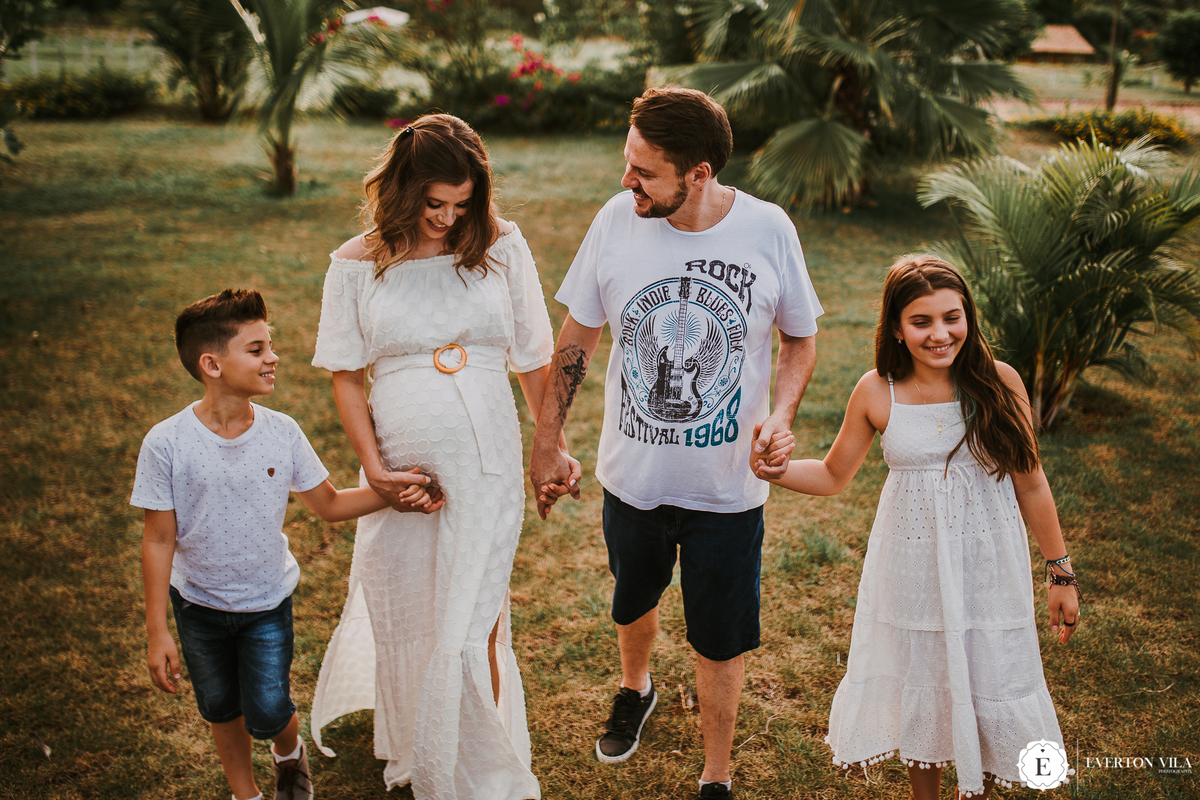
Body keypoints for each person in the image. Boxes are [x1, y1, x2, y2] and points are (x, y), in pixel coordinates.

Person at [529, 87, 822, 800]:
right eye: (628, 163)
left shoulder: (767, 229)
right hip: (632, 477)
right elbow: (578, 336)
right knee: (632, 601)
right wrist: (547, 437)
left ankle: (715, 774)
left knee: (719, 637)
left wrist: (780, 416)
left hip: (727, 491)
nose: (626, 181)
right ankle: (637, 688)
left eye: (643, 172)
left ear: (697, 172)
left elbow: (800, 336)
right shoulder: (615, 219)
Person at [752, 255, 1081, 799]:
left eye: (951, 317)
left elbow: (1031, 481)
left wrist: (1059, 572)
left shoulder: (999, 383)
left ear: (967, 316)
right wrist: (773, 469)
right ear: (897, 329)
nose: (940, 334)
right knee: (922, 678)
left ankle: (976, 787)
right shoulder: (877, 392)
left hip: (987, 564)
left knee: (990, 674)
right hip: (913, 566)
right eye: (921, 321)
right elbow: (835, 475)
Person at [309, 113, 563, 800]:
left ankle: (479, 765)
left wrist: (552, 445)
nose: (448, 218)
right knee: (410, 603)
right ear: (402, 192)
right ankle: (420, 744)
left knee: (472, 608)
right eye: (433, 204)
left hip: (485, 456)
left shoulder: (502, 246)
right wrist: (377, 471)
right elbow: (345, 374)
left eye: (461, 204)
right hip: (398, 465)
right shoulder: (355, 264)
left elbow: (536, 360)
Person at [134, 289, 394, 800]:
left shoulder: (282, 433)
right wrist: (156, 629)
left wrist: (393, 494)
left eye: (268, 346)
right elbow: (158, 538)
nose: (272, 357)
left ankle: (288, 755)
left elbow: (331, 503)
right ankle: (245, 793)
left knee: (270, 708)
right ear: (211, 363)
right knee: (219, 706)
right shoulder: (166, 444)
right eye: (256, 349)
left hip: (267, 602)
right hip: (198, 605)